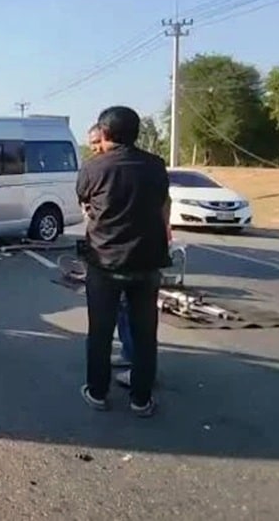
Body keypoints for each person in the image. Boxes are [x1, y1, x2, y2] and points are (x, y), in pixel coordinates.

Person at [76, 106, 170, 417]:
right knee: (145, 335)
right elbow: (163, 207)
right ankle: (141, 400)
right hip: (147, 263)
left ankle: (97, 393)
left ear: (104, 133)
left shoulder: (94, 168)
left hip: (105, 263)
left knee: (100, 334)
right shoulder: (156, 166)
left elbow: (86, 207)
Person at [85, 124, 134, 373]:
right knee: (123, 312)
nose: (95, 148)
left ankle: (99, 387)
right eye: (92, 144)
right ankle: (129, 357)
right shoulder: (98, 167)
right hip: (116, 253)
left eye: (98, 142)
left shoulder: (102, 168)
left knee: (115, 316)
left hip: (113, 255)